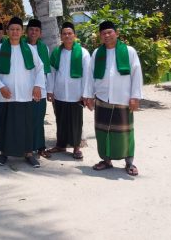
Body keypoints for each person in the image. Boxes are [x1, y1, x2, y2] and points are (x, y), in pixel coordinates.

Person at [84, 20, 143, 176]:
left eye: (110, 32)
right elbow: (90, 76)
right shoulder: (97, 53)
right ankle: (106, 160)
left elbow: (137, 74)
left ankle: (129, 162)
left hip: (123, 99)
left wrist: (135, 96)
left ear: (116, 33)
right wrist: (89, 95)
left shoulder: (129, 51)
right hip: (102, 98)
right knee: (103, 132)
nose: (107, 35)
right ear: (100, 36)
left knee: (125, 132)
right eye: (103, 33)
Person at [0, 16, 45, 168]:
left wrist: (38, 85)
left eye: (18, 29)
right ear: (7, 31)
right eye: (12, 29)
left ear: (22, 32)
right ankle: (4, 153)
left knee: (27, 125)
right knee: (6, 125)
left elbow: (40, 68)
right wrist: (0, 86)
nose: (14, 32)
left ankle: (28, 154)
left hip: (25, 94)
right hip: (6, 95)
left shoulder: (30, 49)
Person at [46, 22, 91, 160]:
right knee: (61, 120)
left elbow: (87, 74)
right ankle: (61, 145)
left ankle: (76, 147)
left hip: (76, 94)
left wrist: (85, 94)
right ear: (61, 36)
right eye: (64, 34)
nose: (67, 36)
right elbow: (51, 73)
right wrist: (50, 90)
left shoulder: (83, 53)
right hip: (59, 93)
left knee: (76, 122)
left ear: (74, 35)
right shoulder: (56, 52)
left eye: (69, 33)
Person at [25, 18, 52, 158]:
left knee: (38, 119)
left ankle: (40, 147)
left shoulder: (44, 48)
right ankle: (27, 147)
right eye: (31, 29)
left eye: (36, 30)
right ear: (27, 31)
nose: (34, 32)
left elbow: (46, 70)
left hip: (40, 90)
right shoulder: (21, 46)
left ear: (40, 33)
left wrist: (49, 90)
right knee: (26, 120)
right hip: (24, 90)